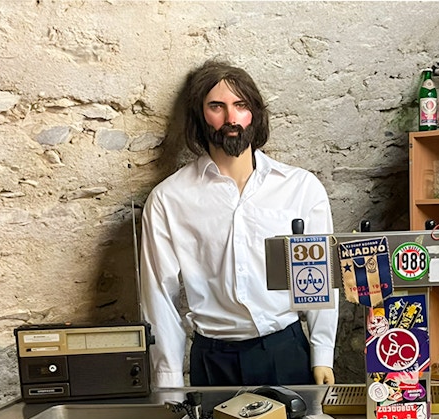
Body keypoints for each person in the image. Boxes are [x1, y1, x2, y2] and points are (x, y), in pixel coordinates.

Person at [140, 60, 338, 388]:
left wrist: (322, 354)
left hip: (284, 351)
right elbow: (159, 295)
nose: (231, 118)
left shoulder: (301, 188)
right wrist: (169, 381)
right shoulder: (169, 199)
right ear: (200, 116)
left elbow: (319, 281)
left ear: (255, 113)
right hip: (212, 360)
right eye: (217, 106)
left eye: (240, 105)